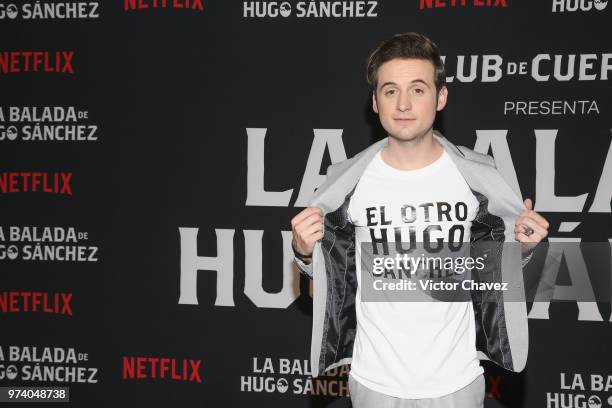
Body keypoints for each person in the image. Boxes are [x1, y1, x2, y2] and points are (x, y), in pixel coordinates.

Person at [290, 32, 549, 407]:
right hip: (374, 385)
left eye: (418, 89)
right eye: (391, 90)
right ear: (375, 102)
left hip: (457, 384)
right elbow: (321, 291)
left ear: (440, 97)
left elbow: (497, 283)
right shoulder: (346, 183)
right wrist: (302, 252)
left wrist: (521, 247)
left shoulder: (480, 179)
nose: (404, 103)